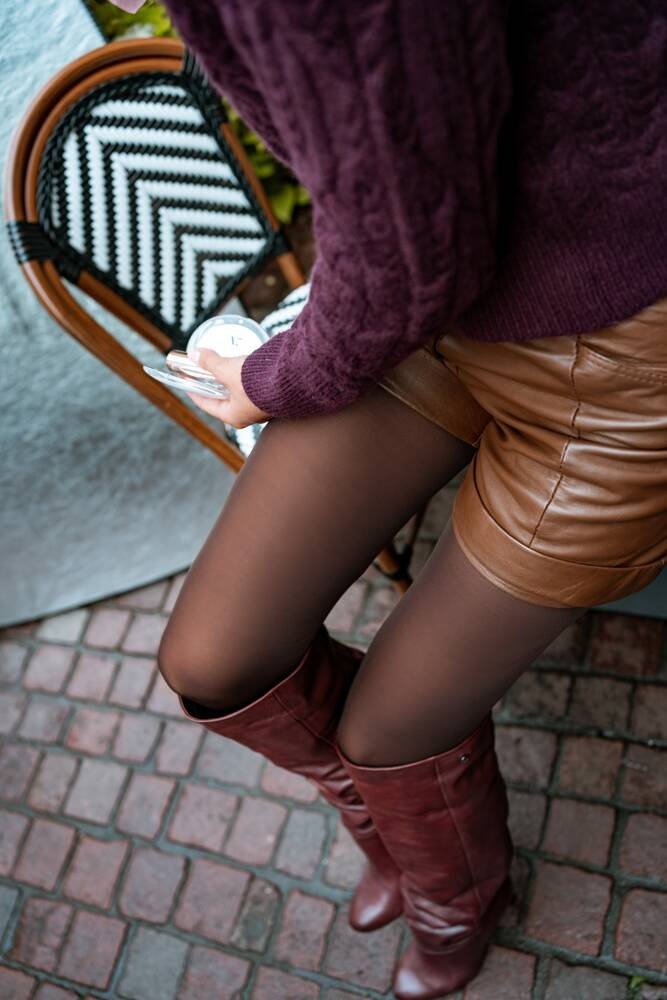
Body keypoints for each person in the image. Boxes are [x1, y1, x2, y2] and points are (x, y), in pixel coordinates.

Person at [110, 2, 667, 996]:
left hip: (616, 358)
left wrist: (271, 378)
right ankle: (398, 832)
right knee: (211, 658)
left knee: (388, 731)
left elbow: (409, 245)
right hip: (439, 308)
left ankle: (458, 895)